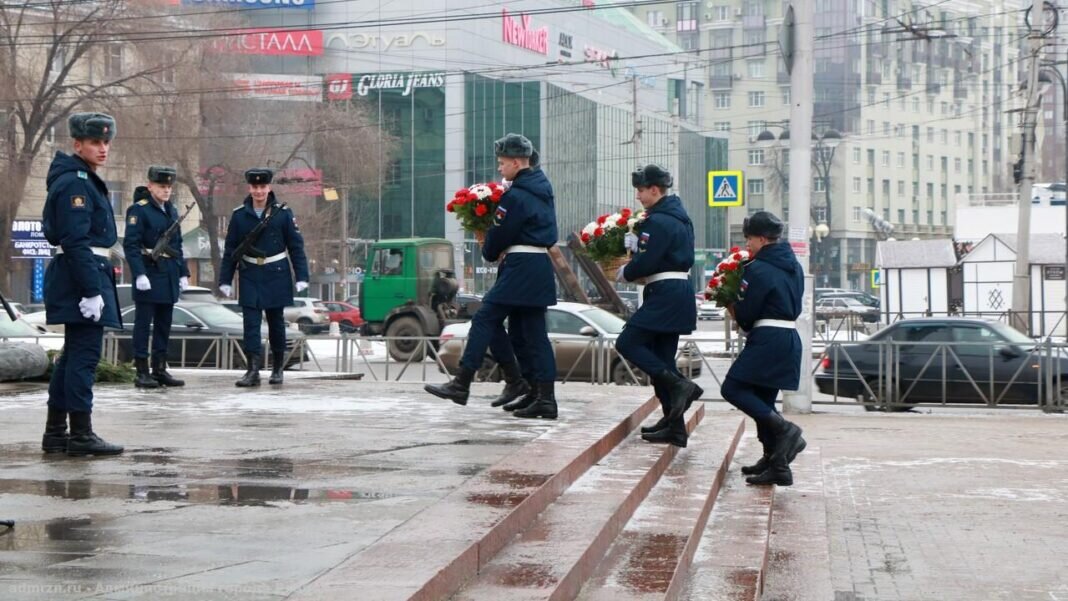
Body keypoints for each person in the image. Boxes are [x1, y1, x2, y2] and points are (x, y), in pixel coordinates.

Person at [425, 133, 559, 418]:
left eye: (501, 163)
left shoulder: (516, 195)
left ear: (515, 162)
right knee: (530, 334)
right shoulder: (542, 190)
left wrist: (489, 246)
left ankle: (464, 382)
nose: (499, 169)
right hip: (538, 266)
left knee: (486, 317)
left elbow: (498, 237)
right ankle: (539, 395)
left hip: (520, 265)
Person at [41, 112, 124, 457]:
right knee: (83, 359)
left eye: (106, 142)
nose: (103, 148)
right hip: (82, 276)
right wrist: (91, 290)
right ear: (78, 144)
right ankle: (80, 434)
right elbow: (75, 241)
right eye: (95, 142)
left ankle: (56, 432)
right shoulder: (76, 182)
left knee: (72, 357)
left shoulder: (79, 177)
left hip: (81, 272)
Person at [614, 164, 702, 448]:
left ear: (655, 189)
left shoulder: (660, 220)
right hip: (675, 291)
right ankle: (675, 426)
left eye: (641, 190)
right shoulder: (678, 217)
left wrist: (626, 271)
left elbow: (649, 260)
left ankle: (679, 386)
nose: (638, 196)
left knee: (627, 342)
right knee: (661, 361)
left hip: (665, 292)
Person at [722, 210, 807, 486]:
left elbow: (747, 315)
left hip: (767, 337)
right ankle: (776, 462)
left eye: (749, 240)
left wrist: (730, 301)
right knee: (764, 399)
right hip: (788, 338)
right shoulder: (793, 265)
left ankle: (786, 430)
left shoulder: (757, 268)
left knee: (732, 388)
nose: (747, 245)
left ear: (761, 239)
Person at [218, 169, 309, 387]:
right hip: (250, 274)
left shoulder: (283, 213)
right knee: (251, 324)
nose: (259, 191)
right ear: (249, 188)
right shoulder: (239, 215)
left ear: (269, 187)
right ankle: (253, 370)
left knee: (276, 323)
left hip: (276, 273)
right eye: (255, 187)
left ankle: (277, 369)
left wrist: (302, 276)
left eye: (262, 187)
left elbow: (296, 247)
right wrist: (225, 279)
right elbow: (231, 249)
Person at [123, 166, 189, 389]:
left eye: (169, 187)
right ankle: (142, 371)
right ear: (150, 186)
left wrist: (183, 272)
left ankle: (159, 369)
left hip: (168, 274)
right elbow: (131, 246)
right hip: (149, 273)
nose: (166, 191)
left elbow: (177, 245)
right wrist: (139, 273)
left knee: (164, 325)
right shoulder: (139, 210)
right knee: (143, 325)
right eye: (162, 186)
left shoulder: (171, 210)